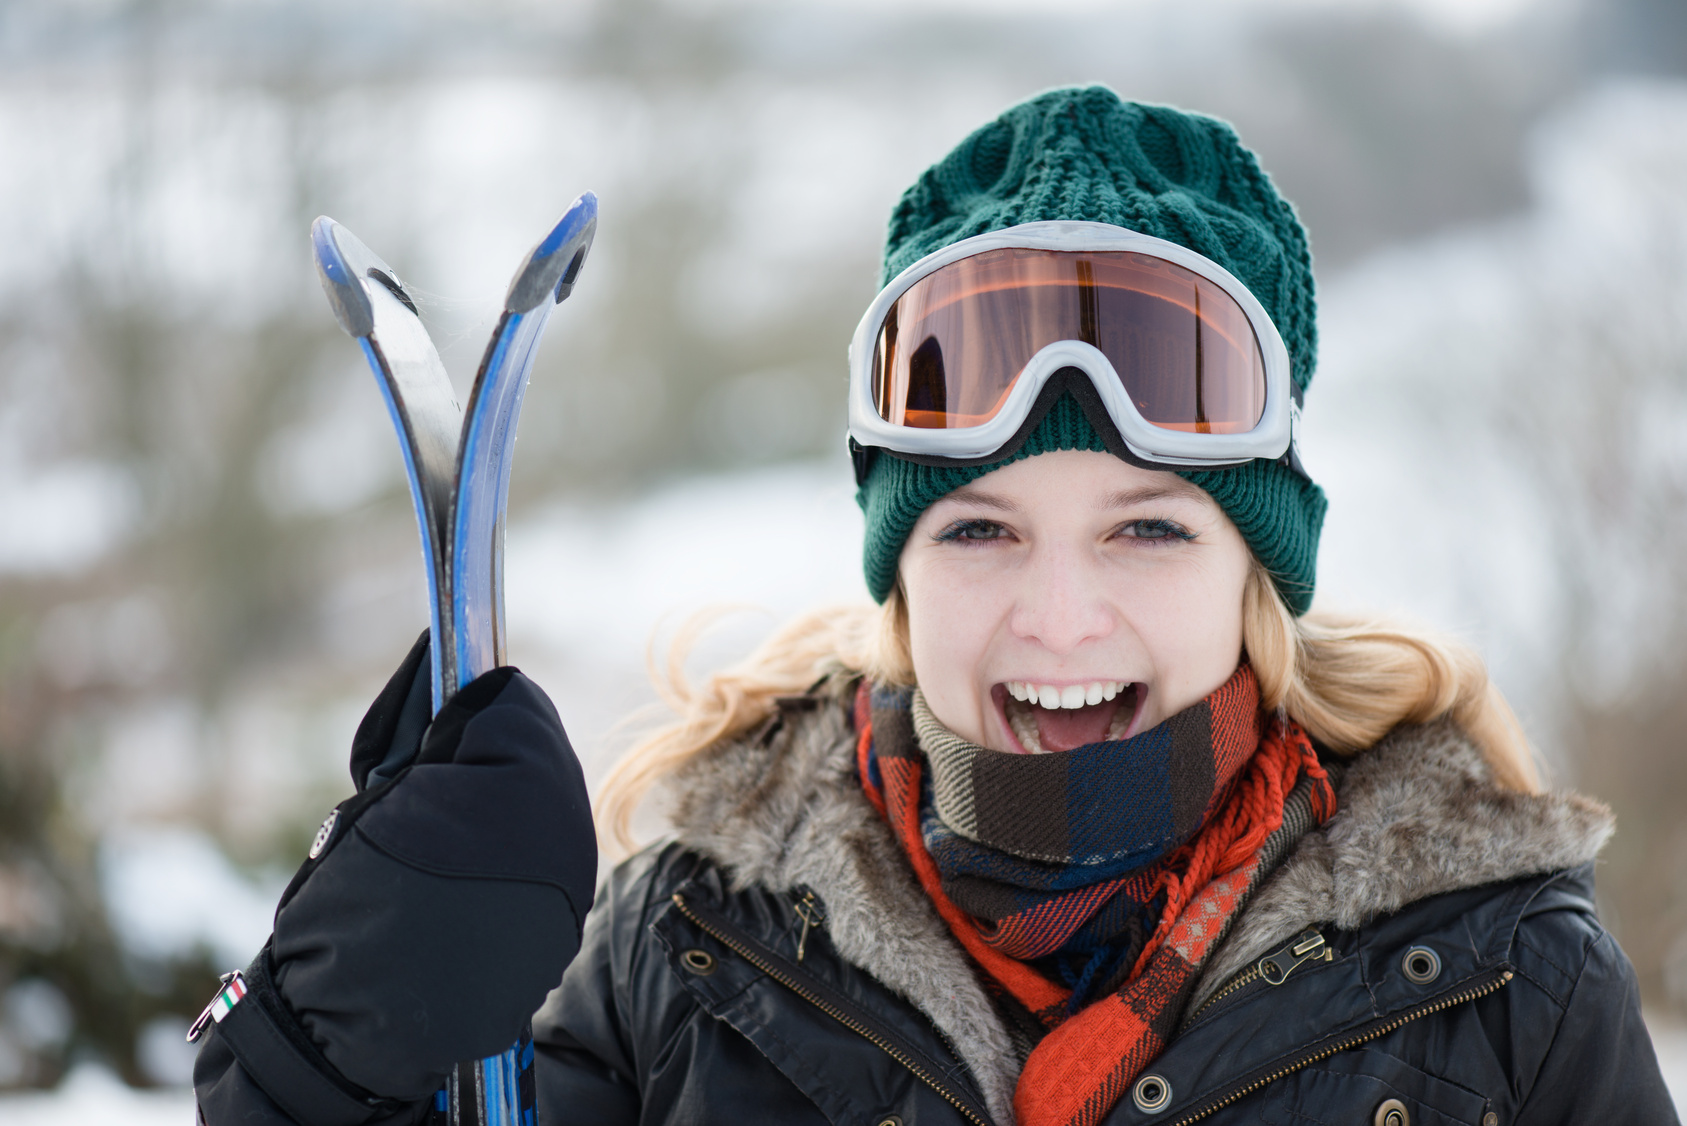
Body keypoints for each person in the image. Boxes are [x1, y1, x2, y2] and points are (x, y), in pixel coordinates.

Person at [194, 87, 1679, 1125]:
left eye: (1148, 528)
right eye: (978, 529)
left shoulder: (1501, 986)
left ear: (1259, 573)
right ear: (896, 572)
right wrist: (322, 1062)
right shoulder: (694, 962)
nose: (1058, 616)